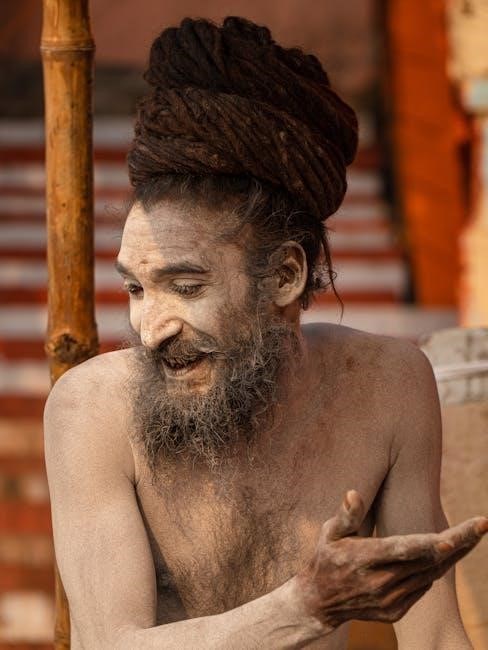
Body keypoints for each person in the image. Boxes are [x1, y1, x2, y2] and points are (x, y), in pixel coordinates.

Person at [44, 16, 487, 649]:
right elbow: (109, 645)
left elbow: (435, 635)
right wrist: (306, 607)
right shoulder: (92, 409)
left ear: (283, 277)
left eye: (186, 287)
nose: (150, 329)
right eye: (136, 289)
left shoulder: (390, 384)